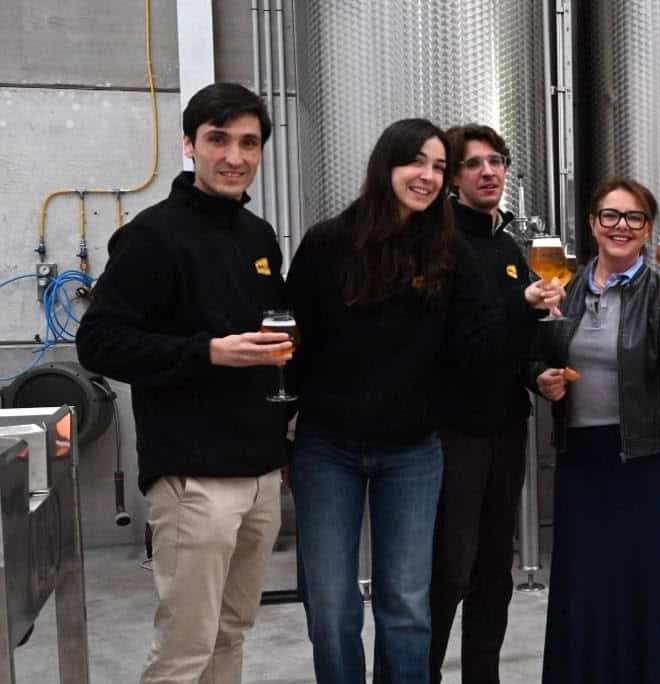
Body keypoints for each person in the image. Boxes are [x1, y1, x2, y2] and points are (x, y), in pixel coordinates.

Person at [78, 82, 290, 684]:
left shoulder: (258, 236)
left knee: (231, 633)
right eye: (218, 140)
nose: (234, 156)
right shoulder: (154, 235)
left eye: (248, 143)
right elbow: (99, 342)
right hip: (194, 479)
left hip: (259, 473)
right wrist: (208, 353)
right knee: (185, 650)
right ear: (189, 145)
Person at [284, 117, 501, 683]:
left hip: (413, 451)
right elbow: (292, 341)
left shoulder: (449, 252)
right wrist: (279, 433)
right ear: (387, 165)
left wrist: (527, 313)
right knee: (331, 607)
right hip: (327, 447)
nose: (428, 176)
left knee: (406, 607)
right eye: (416, 162)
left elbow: (471, 347)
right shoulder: (328, 243)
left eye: (439, 167)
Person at [529, 176, 660, 683]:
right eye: (610, 215)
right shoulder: (566, 286)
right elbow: (536, 354)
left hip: (644, 453)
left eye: (633, 217)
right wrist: (541, 378)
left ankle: (652, 668)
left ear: (648, 230)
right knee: (586, 573)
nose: (620, 226)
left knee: (645, 573)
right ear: (592, 224)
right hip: (581, 453)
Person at [427, 123, 542, 683]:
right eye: (473, 164)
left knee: (496, 570)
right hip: (454, 430)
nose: (489, 172)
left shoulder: (508, 245)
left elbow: (516, 340)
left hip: (506, 425)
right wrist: (522, 305)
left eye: (496, 161)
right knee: (449, 569)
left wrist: (538, 372)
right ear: (452, 177)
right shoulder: (440, 244)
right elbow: (451, 341)